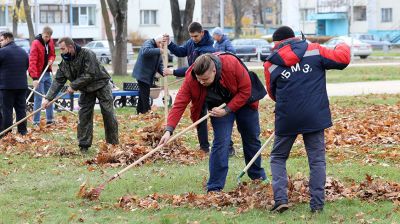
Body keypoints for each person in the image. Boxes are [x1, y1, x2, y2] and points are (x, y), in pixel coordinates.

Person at [264, 26, 350, 213]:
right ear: (295, 38)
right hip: (314, 115)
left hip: (287, 117)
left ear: (276, 43)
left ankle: (280, 200)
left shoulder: (270, 64)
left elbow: (272, 93)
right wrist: (343, 43)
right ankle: (317, 205)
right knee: (317, 160)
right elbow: (343, 59)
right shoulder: (315, 50)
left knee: (278, 157)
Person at [159, 53, 266, 192]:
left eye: (205, 79)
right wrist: (169, 130)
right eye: (199, 79)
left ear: (214, 70)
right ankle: (215, 186)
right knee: (221, 141)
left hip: (244, 101)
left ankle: (257, 176)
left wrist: (227, 109)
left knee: (251, 137)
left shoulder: (231, 63)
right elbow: (179, 103)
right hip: (217, 106)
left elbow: (246, 90)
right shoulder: (191, 79)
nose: (202, 82)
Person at [163, 22, 234, 155]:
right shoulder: (191, 43)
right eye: (191, 36)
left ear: (202, 32)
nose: (193, 38)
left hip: (211, 89)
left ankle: (228, 147)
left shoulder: (208, 50)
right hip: (197, 85)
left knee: (219, 117)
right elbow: (181, 52)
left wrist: (173, 72)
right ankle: (204, 148)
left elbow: (193, 68)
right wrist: (170, 44)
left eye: (196, 36)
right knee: (198, 116)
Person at [42, 37, 119, 152]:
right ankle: (84, 145)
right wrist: (48, 98)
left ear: (71, 47)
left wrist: (74, 85)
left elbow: (90, 74)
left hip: (101, 84)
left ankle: (112, 144)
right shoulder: (65, 62)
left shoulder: (87, 54)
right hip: (86, 90)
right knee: (84, 116)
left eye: (62, 49)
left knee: (108, 114)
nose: (61, 52)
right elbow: (58, 81)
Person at [0, 32, 29, 137]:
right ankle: (22, 131)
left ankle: (7, 133)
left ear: (8, 39)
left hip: (6, 86)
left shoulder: (2, 52)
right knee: (21, 109)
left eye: (1, 40)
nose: (0, 43)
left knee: (6, 110)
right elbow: (26, 66)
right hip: (22, 85)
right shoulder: (23, 51)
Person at [28, 26, 56, 126]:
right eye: (45, 36)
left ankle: (50, 120)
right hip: (38, 75)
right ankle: (36, 121)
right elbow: (32, 61)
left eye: (48, 37)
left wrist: (51, 60)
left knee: (50, 97)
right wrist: (34, 78)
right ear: (42, 33)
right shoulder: (36, 43)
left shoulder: (51, 42)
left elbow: (53, 54)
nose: (47, 39)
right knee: (38, 98)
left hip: (47, 73)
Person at [132, 35, 164, 114]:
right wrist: (159, 50)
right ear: (159, 42)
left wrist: (164, 72)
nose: (162, 47)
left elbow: (159, 64)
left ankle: (140, 112)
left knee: (142, 95)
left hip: (148, 75)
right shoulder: (148, 43)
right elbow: (145, 51)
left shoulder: (158, 49)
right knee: (145, 94)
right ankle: (147, 112)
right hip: (142, 74)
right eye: (162, 45)